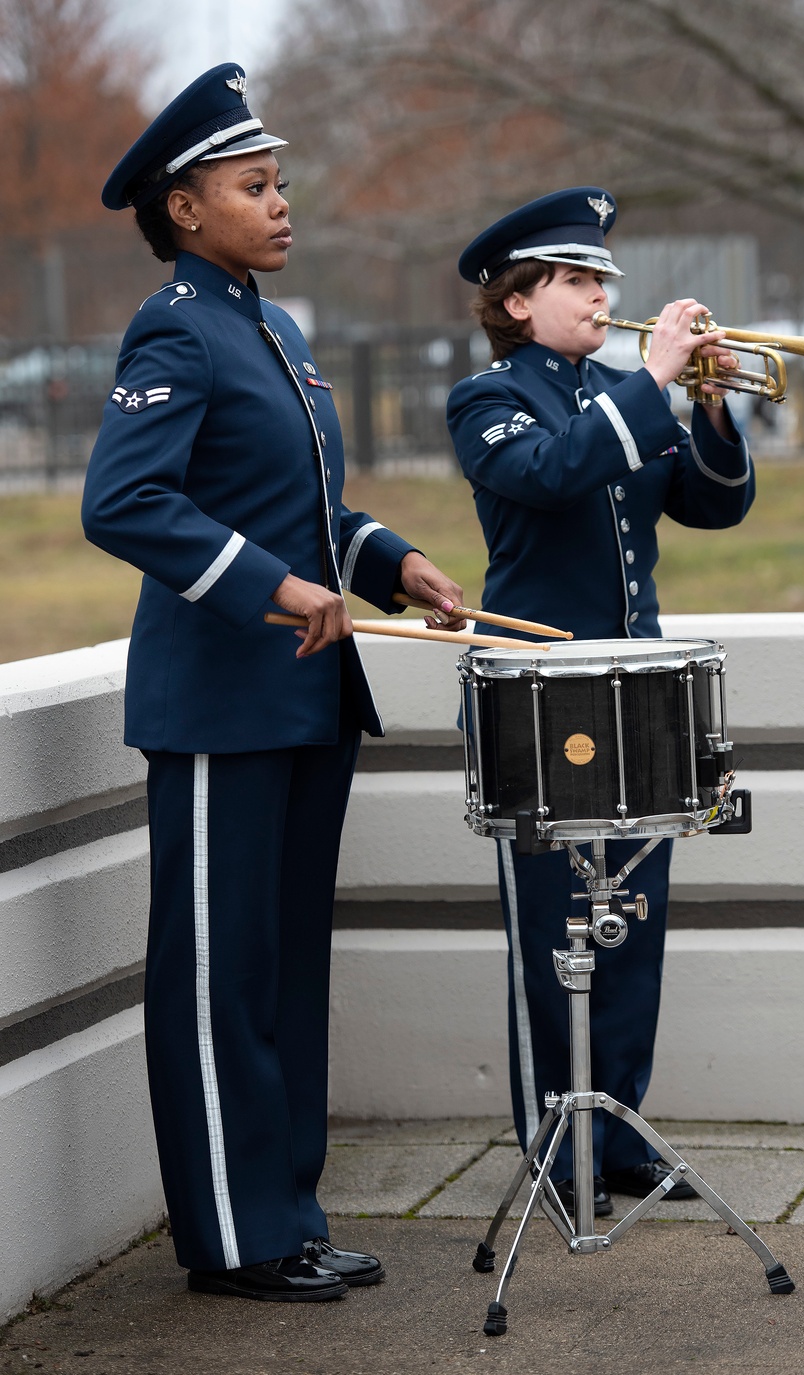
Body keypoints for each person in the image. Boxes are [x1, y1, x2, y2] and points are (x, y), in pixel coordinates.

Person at [82, 64, 465, 1302]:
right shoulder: (176, 327)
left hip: (306, 697)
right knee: (216, 978)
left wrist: (391, 563)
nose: (283, 203)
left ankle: (287, 1214)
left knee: (287, 971)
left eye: (281, 182)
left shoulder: (272, 329)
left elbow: (306, 512)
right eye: (255, 188)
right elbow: (125, 502)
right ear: (184, 209)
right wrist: (272, 586)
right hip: (218, 707)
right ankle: (231, 1237)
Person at [446, 187, 755, 1217]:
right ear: (519, 302)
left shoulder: (628, 394)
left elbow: (715, 504)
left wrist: (706, 403)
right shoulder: (488, 400)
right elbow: (547, 474)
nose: (600, 295)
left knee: (630, 917)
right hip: (537, 698)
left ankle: (619, 1137)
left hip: (639, 691)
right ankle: (554, 1146)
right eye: (579, 281)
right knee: (553, 926)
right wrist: (655, 380)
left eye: (601, 279)